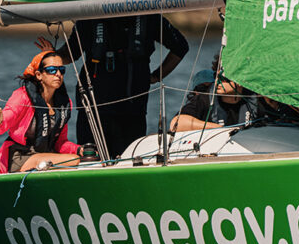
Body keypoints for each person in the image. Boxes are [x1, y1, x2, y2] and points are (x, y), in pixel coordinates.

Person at [38, 16, 189, 158]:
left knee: (128, 159)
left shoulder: (148, 15)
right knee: (91, 159)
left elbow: (180, 46)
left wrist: (157, 75)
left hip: (131, 110)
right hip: (94, 109)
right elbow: (71, 53)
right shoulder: (90, 17)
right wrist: (52, 55)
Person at [0, 50, 82, 174]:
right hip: (19, 156)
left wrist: (79, 149)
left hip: (45, 156)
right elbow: (2, 124)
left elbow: (60, 143)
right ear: (39, 75)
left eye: (62, 70)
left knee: (85, 158)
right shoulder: (22, 96)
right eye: (52, 70)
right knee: (73, 160)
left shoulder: (64, 104)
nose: (58, 74)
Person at [170, 67, 260, 133]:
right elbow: (175, 124)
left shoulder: (257, 100)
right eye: (216, 77)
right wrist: (219, 128)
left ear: (240, 81)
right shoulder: (204, 99)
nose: (217, 82)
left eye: (223, 78)